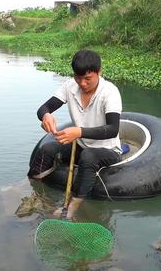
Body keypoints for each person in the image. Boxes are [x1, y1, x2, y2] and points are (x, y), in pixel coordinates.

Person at [27, 49, 122, 218]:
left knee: (89, 157)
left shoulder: (110, 92)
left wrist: (79, 131)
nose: (82, 83)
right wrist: (46, 115)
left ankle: (72, 206)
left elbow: (112, 129)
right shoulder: (70, 86)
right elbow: (43, 108)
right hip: (81, 144)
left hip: (107, 149)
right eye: (78, 78)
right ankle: (30, 186)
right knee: (47, 149)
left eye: (88, 78)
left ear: (99, 72)